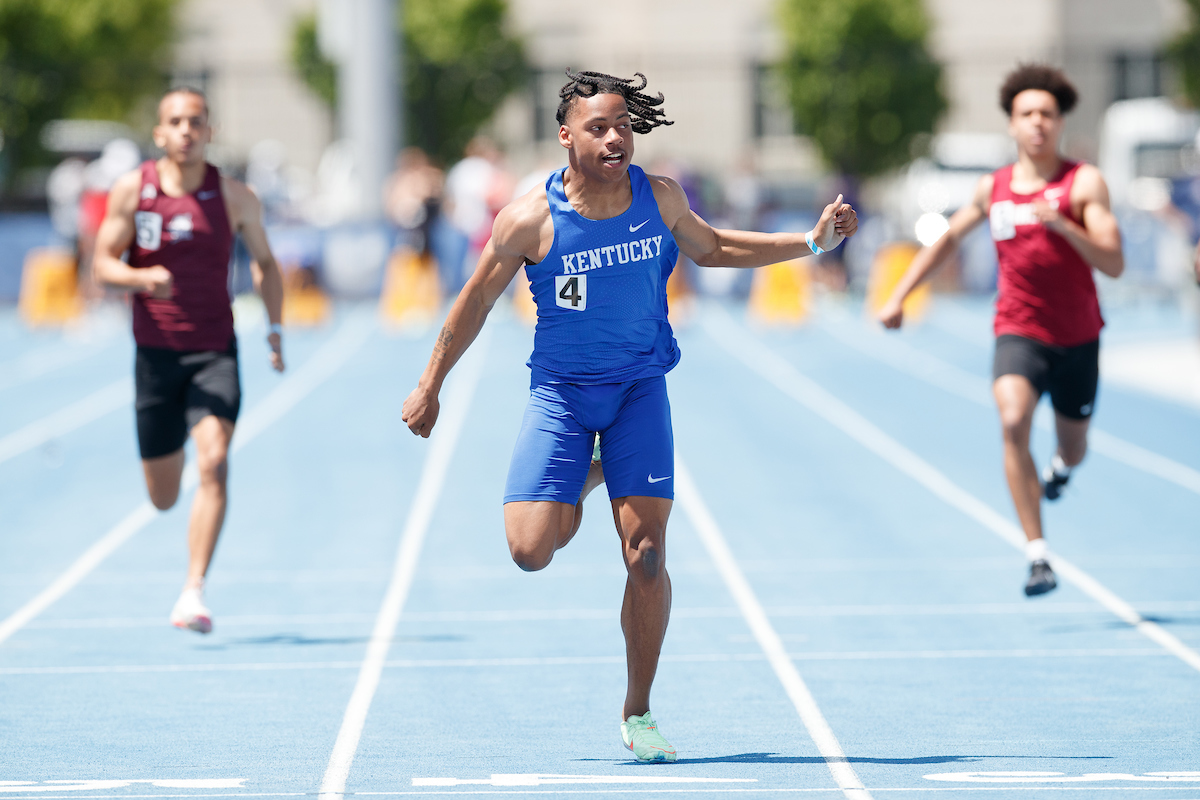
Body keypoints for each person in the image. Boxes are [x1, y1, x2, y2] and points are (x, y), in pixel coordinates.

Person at [401, 70, 856, 761]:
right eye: (599, 128)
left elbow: (713, 247)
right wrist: (430, 383)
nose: (616, 139)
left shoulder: (659, 197)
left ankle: (638, 710)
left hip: (639, 391)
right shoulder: (529, 220)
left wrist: (811, 243)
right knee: (530, 551)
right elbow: (474, 302)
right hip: (561, 395)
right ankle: (591, 474)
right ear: (566, 136)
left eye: (623, 126)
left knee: (646, 558)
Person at [877, 64, 1123, 597]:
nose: (1037, 122)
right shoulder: (995, 188)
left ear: (1060, 122)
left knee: (1074, 448)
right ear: (1012, 124)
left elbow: (1114, 262)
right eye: (1026, 113)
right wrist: (900, 294)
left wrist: (1065, 226)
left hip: (1078, 338)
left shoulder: (1083, 183)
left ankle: (1060, 468)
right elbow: (946, 241)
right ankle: (1038, 555)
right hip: (1019, 330)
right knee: (1013, 421)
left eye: (1047, 114)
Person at [93, 87, 286, 633]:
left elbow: (266, 264)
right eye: (175, 122)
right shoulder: (134, 191)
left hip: (213, 351)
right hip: (155, 358)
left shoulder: (234, 196)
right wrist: (139, 278)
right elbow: (101, 265)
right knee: (162, 497)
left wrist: (274, 329)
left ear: (209, 132)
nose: (186, 130)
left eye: (195, 121)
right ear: (159, 133)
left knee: (214, 462)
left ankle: (193, 591)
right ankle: (176, 436)